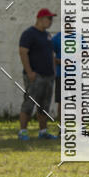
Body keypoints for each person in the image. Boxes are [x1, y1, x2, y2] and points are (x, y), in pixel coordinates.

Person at [18, 7, 58, 140]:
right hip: (35, 76)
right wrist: (29, 72)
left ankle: (43, 131)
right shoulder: (29, 33)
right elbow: (23, 52)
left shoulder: (47, 35)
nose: (51, 21)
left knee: (44, 105)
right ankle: (23, 131)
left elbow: (50, 55)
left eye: (52, 19)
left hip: (48, 76)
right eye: (49, 18)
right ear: (40, 19)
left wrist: (54, 69)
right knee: (29, 103)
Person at [52, 30, 62, 122]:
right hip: (61, 75)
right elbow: (50, 55)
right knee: (61, 102)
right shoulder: (56, 38)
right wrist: (59, 61)